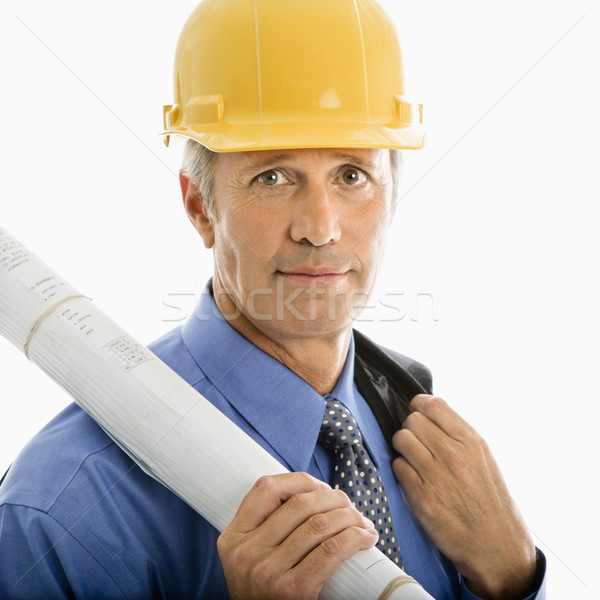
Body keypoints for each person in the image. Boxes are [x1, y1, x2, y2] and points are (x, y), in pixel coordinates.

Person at [0, 0, 546, 598]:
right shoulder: (64, 508)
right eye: (274, 177)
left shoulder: (429, 448)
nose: (321, 227)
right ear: (199, 206)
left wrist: (513, 576)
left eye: (351, 175)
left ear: (392, 194)